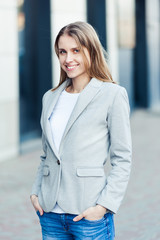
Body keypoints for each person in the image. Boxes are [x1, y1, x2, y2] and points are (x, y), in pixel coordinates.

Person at [30, 21, 132, 240]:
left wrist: (104, 206)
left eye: (76, 50)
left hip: (88, 213)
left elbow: (122, 158)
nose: (68, 59)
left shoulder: (112, 95)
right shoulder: (50, 97)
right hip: (50, 215)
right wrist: (36, 192)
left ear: (91, 50)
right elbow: (46, 155)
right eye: (62, 52)